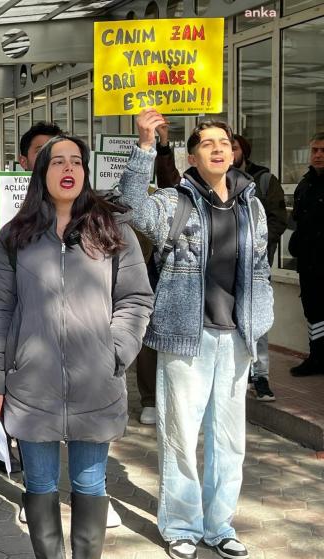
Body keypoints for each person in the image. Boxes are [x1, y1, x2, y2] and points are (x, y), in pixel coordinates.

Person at [0, 135, 153, 559]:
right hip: (31, 385)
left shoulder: (112, 228)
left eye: (76, 161)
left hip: (96, 382)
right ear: (42, 173)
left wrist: (115, 350)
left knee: (90, 485)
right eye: (58, 162)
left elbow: (136, 298)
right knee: (38, 485)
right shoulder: (15, 237)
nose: (68, 169)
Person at [120, 109, 273, 559]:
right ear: (192, 155)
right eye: (207, 143)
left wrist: (260, 320)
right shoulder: (175, 201)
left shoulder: (252, 203)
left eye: (223, 142)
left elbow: (260, 265)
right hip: (187, 334)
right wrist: (145, 146)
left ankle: (220, 524)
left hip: (237, 335)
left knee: (230, 440)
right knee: (181, 436)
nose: (218, 149)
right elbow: (129, 207)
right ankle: (181, 524)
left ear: (235, 151)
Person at [231, 134, 287, 400]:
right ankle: (238, 376)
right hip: (223, 265)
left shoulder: (264, 180)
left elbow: (278, 219)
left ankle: (261, 377)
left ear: (244, 151)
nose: (227, 152)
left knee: (258, 319)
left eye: (233, 147)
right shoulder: (210, 181)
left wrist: (259, 247)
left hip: (255, 265)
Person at [288, 133, 324, 377]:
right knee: (313, 312)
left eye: (323, 150)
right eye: (315, 150)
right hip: (310, 263)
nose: (318, 155)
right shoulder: (305, 184)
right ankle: (317, 357)